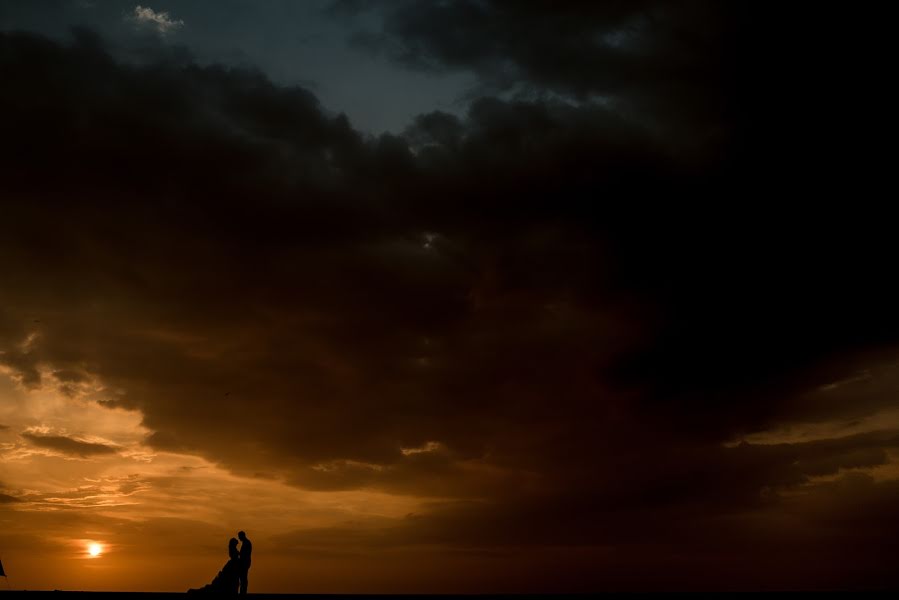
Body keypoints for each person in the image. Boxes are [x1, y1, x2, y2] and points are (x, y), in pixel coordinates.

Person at [238, 530, 252, 595]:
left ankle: (243, 592)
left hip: (245, 563)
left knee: (243, 578)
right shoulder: (246, 543)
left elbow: (245, 554)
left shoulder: (247, 543)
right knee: (243, 577)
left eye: (239, 537)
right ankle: (243, 591)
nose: (239, 538)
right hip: (245, 562)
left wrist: (239, 554)